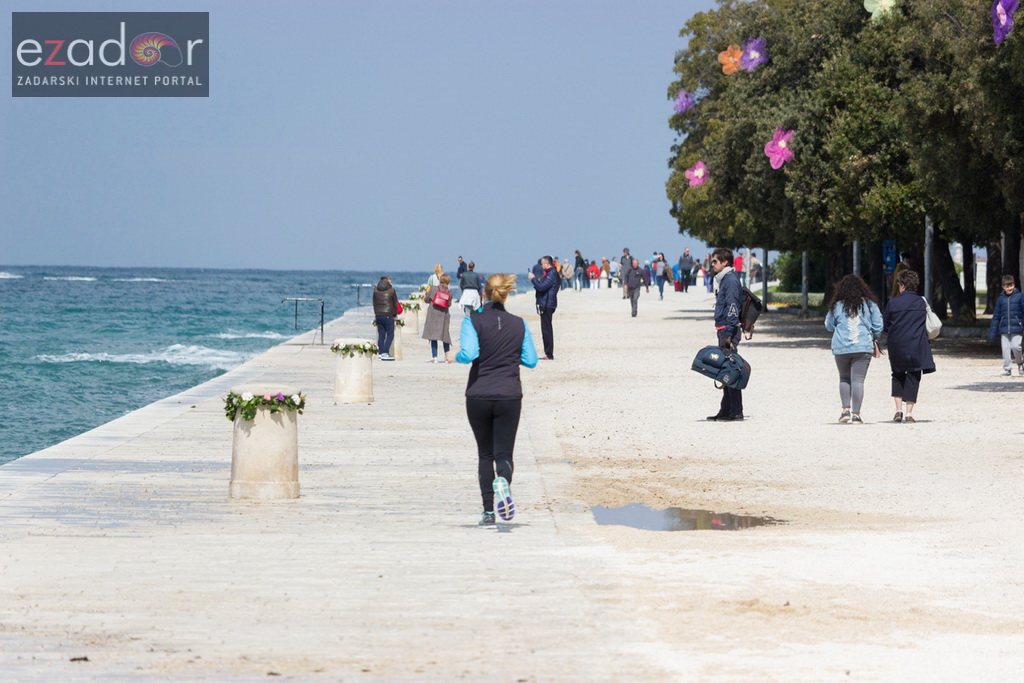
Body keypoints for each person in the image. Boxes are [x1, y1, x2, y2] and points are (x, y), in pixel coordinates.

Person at [456, 273, 539, 527]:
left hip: (479, 394)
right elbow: (531, 360)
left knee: (485, 454)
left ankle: (488, 513)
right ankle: (503, 481)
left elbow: (470, 353)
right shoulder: (519, 324)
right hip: (509, 395)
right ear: (506, 294)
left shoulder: (472, 321)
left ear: (484, 293)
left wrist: (455, 356)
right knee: (504, 453)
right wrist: (510, 354)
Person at [824, 275, 883, 424]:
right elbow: (878, 325)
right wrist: (874, 336)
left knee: (844, 378)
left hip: (841, 347)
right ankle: (856, 414)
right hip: (863, 346)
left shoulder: (837, 305)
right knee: (858, 380)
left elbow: (829, 326)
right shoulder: (869, 305)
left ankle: (845, 410)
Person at [883, 269, 935, 423]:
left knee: (897, 374)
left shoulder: (893, 302)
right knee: (914, 374)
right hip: (916, 344)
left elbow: (885, 325)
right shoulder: (921, 302)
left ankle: (898, 410)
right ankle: (909, 413)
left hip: (897, 345)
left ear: (902, 285)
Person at [708, 248, 745, 421]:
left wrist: (729, 333)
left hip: (728, 330)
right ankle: (726, 408)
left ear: (725, 262)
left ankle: (736, 410)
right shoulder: (724, 279)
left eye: (715, 261)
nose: (712, 264)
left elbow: (732, 307)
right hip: (723, 329)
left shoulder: (730, 280)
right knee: (724, 369)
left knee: (731, 369)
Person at [988, 275, 1024, 376]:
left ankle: (1020, 363)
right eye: (1007, 286)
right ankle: (1007, 368)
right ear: (1003, 287)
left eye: (1011, 285)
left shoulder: (1020, 297)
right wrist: (992, 332)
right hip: (1004, 329)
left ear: (1014, 285)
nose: (1009, 288)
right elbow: (996, 316)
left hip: (1017, 328)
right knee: (1005, 349)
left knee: (1016, 347)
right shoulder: (1000, 299)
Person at [528, 255, 559, 360]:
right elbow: (542, 286)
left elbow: (542, 287)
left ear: (547, 263)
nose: (541, 266)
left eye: (542, 264)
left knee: (546, 329)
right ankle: (548, 353)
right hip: (546, 303)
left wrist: (533, 279)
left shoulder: (552, 273)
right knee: (545, 329)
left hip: (547, 304)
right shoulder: (549, 273)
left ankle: (549, 354)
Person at [422, 274, 454, 363]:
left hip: (433, 314)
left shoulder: (434, 289)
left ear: (440, 280)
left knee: (433, 335)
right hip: (444, 315)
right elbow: (449, 304)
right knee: (445, 336)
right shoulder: (449, 292)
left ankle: (435, 357)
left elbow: (426, 299)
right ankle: (447, 357)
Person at [372, 275, 399, 361]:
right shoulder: (392, 291)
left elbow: (374, 303)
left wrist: (376, 313)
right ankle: (385, 352)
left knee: (381, 335)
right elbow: (395, 304)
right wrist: (394, 315)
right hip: (388, 315)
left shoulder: (375, 290)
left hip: (378, 315)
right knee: (390, 334)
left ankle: (380, 353)